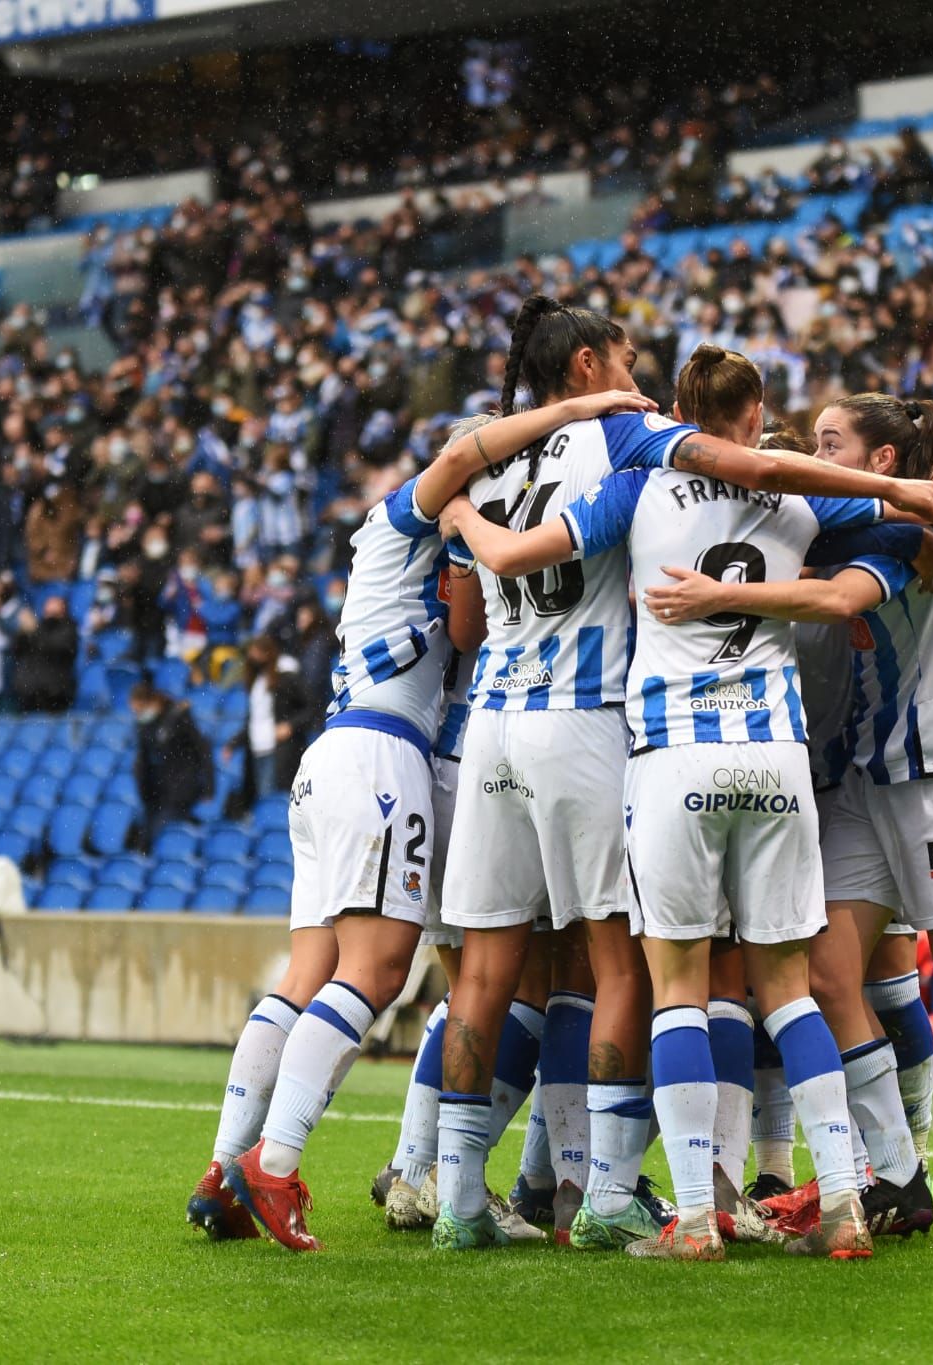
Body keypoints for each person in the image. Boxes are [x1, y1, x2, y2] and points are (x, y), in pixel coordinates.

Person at [426, 308, 933, 1255]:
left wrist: (460, 505)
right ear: (757, 416)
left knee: (647, 983)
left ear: (678, 409)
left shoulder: (637, 489)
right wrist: (915, 498)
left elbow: (502, 556)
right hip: (773, 760)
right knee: (786, 989)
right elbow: (852, 519)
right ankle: (840, 1197)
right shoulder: (802, 506)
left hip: (645, 753)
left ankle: (681, 1217)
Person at [197, 382, 666, 1253]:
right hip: (407, 757)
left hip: (343, 757)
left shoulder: (389, 536)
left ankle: (229, 1163)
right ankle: (349, 1165)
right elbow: (467, 621)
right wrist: (569, 419)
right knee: (439, 974)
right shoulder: (428, 513)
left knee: (319, 975)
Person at [635, 390, 933, 1250]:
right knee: (827, 979)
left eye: (832, 441)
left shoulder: (905, 535)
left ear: (884, 462)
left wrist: (719, 595)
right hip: (865, 784)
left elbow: (839, 602)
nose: (816, 454)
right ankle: (897, 1174)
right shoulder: (867, 523)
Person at [223, 635, 314, 810]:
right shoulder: (256, 682)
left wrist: (290, 725)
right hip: (257, 749)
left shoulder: (286, 678)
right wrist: (233, 743)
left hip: (278, 750)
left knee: (275, 803)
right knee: (263, 802)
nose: (253, 658)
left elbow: (310, 709)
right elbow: (253, 720)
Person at [131, 681, 213, 852]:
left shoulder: (178, 716)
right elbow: (143, 759)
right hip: (158, 790)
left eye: (140, 709)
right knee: (149, 833)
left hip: (181, 785)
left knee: (163, 833)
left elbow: (201, 749)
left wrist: (209, 785)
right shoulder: (145, 726)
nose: (138, 714)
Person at [11, 595, 79, 714]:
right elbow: (17, 651)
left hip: (54, 695)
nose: (49, 615)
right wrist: (22, 633)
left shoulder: (69, 628)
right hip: (28, 693)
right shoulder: (39, 628)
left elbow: (55, 647)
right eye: (47, 611)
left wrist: (34, 630)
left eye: (54, 612)